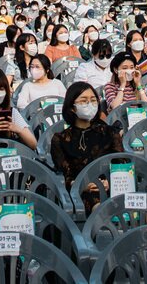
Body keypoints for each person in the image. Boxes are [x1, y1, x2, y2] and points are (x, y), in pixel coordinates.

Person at [49, 82, 123, 214]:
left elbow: (121, 164)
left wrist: (111, 182)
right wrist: (81, 185)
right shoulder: (60, 139)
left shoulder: (110, 133)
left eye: (93, 100)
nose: (90, 104)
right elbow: (65, 174)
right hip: (81, 191)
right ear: (72, 107)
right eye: (84, 100)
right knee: (93, 198)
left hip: (114, 186)